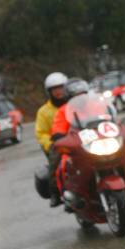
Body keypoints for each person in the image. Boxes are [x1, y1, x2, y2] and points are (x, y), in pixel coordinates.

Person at [47, 78, 90, 207]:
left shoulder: (96, 104)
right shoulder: (64, 110)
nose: (80, 98)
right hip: (75, 143)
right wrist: (59, 136)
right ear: (70, 97)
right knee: (61, 162)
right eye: (76, 96)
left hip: (95, 140)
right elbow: (58, 129)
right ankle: (59, 192)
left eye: (82, 94)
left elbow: (108, 116)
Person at [35, 72, 68, 207]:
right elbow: (41, 133)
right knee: (56, 163)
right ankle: (55, 193)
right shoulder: (44, 111)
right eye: (55, 89)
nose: (58, 92)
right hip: (57, 144)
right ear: (49, 92)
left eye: (61, 88)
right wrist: (51, 144)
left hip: (78, 140)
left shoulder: (74, 103)